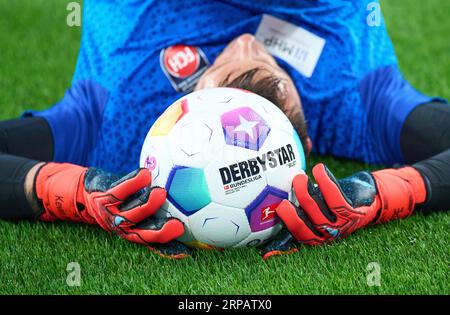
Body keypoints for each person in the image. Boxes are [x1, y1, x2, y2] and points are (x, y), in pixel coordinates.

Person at [0, 0, 448, 259]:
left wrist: (71, 189)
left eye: (231, 77)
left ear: (192, 102)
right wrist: (390, 191)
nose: (248, 44)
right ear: (305, 140)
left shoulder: (114, 114)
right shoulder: (359, 97)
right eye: (273, 77)